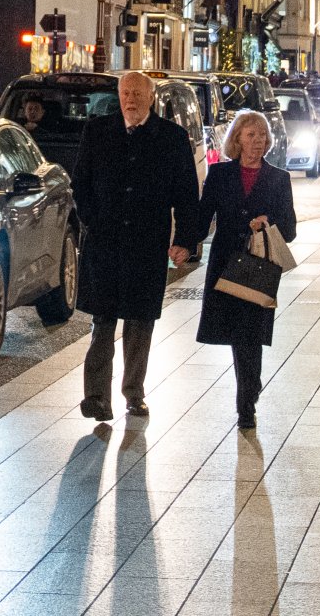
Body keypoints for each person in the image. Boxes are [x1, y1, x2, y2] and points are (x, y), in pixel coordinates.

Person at [73, 70, 202, 422]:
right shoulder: (97, 132)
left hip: (147, 245)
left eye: (137, 93)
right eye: (125, 92)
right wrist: (91, 219)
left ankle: (134, 393)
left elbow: (187, 195)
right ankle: (96, 397)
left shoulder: (171, 138)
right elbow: (80, 184)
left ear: (150, 98)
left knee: (140, 322)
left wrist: (185, 241)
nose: (130, 99)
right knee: (103, 322)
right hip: (105, 243)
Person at [195, 108, 298, 431]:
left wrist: (267, 222)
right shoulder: (219, 174)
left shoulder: (279, 179)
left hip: (258, 267)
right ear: (237, 139)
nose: (258, 141)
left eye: (262, 135)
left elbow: (290, 229)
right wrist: (183, 244)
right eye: (251, 135)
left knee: (249, 335)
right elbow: (202, 218)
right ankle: (249, 392)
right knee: (235, 335)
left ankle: (246, 403)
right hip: (226, 263)